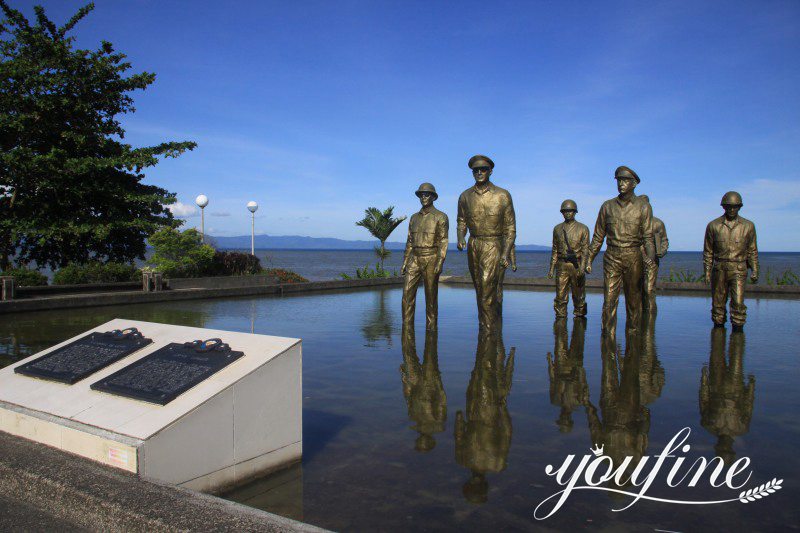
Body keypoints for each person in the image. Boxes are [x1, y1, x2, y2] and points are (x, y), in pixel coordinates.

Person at [585, 166, 656, 334]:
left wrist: (650, 257)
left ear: (634, 184)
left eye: (625, 180)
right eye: (619, 180)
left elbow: (648, 237)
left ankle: (633, 336)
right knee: (609, 300)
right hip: (612, 256)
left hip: (633, 257)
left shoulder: (643, 207)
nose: (621, 184)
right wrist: (589, 259)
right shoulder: (607, 206)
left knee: (634, 301)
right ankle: (607, 338)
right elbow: (598, 236)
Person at [457, 155, 516, 329]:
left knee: (486, 289)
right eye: (476, 170)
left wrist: (505, 253)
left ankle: (487, 331)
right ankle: (492, 325)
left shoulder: (503, 195)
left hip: (494, 244)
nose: (479, 172)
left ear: (490, 171)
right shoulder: (465, 196)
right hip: (474, 244)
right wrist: (460, 237)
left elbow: (510, 228)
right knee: (481, 289)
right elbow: (461, 221)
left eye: (483, 169)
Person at [703, 191, 758, 331]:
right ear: (723, 207)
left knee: (738, 303)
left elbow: (752, 250)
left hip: (739, 268)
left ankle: (738, 334)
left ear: (739, 207)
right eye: (728, 206)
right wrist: (707, 272)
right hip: (719, 269)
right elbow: (708, 252)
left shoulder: (748, 226)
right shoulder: (713, 226)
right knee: (718, 304)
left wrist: (755, 269)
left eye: (735, 206)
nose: (731, 209)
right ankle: (718, 333)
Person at [401, 183, 448, 330]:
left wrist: (440, 261)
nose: (423, 197)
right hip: (414, 258)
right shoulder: (414, 218)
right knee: (407, 294)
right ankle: (407, 328)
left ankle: (431, 330)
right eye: (421, 195)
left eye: (427, 194)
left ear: (433, 197)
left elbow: (443, 241)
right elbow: (409, 241)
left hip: (431, 258)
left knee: (431, 297)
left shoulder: (440, 217)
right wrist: (405, 261)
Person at [548, 199, 590, 318]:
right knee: (560, 296)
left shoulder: (583, 228)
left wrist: (582, 268)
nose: (567, 213)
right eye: (565, 211)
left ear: (575, 212)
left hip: (576, 265)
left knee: (579, 296)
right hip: (561, 265)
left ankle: (580, 320)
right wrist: (551, 269)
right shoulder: (557, 229)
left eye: (570, 211)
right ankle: (560, 321)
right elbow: (555, 250)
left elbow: (585, 250)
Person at [638, 195, 669, 313]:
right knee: (635, 290)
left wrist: (662, 251)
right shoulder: (634, 223)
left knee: (649, 289)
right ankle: (638, 316)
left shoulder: (657, 223)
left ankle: (650, 317)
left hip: (652, 260)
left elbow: (664, 240)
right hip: (635, 259)